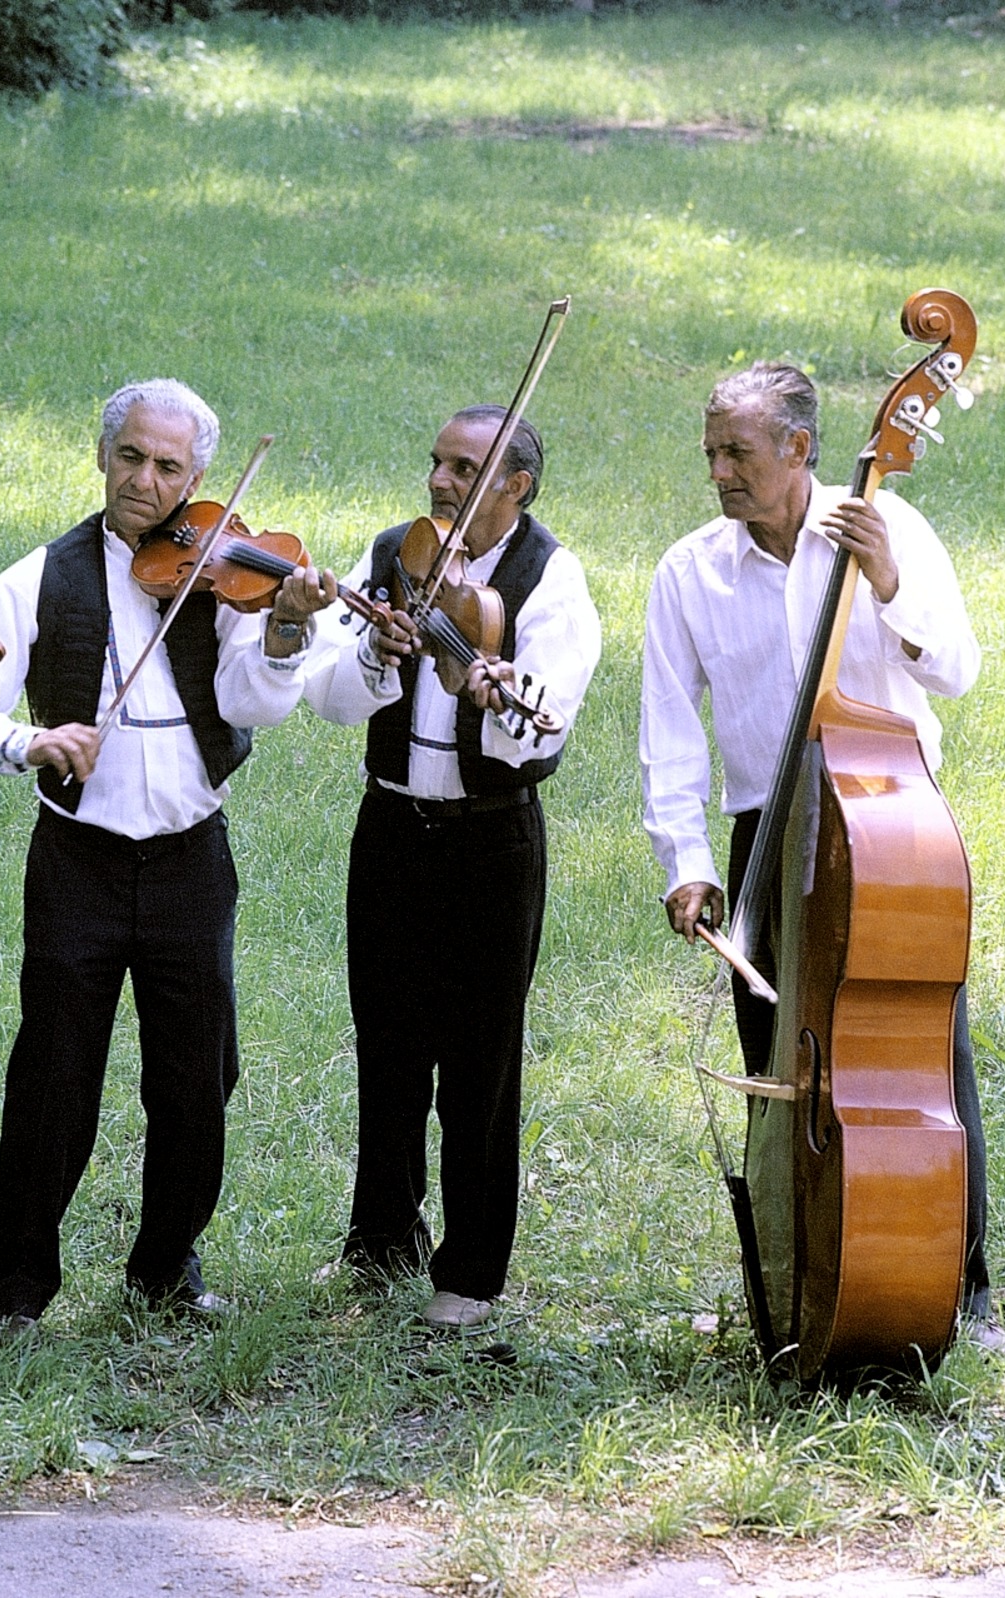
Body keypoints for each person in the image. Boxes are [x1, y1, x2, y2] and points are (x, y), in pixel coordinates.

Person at [0, 377, 337, 1336]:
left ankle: (165, 1269)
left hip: (192, 857)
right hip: (80, 861)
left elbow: (258, 704)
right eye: (132, 458)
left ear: (200, 476)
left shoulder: (232, 575)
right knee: (54, 1076)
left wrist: (283, 626)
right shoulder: (41, 577)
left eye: (170, 467)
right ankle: (15, 1294)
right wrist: (27, 743)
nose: (146, 482)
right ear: (104, 457)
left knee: (197, 1075)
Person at [637, 359, 1005, 1355]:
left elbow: (958, 670)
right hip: (766, 833)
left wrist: (888, 583)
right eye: (710, 450)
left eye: (738, 451)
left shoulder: (884, 524)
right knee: (780, 1068)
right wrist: (685, 860)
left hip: (884, 823)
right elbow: (668, 730)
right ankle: (794, 1274)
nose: (718, 469)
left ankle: (957, 1291)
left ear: (800, 450)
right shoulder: (687, 571)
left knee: (926, 1057)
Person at [304, 405, 601, 1332]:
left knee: (480, 1058)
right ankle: (379, 1238)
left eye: (465, 469)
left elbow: (537, 731)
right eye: (436, 462)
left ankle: (469, 1273)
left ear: (516, 486)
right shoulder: (394, 553)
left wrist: (499, 691)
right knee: (386, 1042)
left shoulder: (550, 578)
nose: (439, 481)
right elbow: (326, 696)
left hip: (490, 839)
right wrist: (377, 656)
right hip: (390, 825)